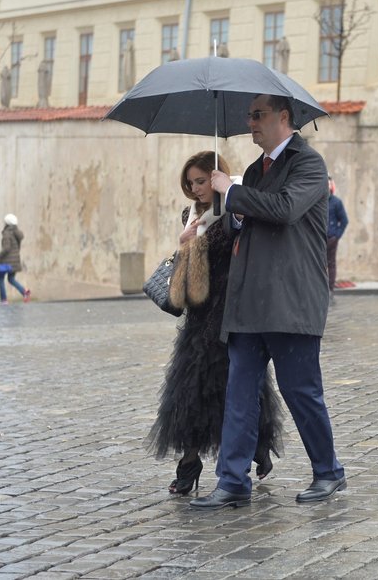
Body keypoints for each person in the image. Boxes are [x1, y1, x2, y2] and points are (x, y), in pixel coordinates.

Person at [190, 94, 345, 509]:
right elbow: (246, 223)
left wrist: (233, 190)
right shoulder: (256, 170)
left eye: (257, 115)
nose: (250, 122)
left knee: (301, 392)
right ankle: (233, 480)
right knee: (239, 393)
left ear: (283, 116)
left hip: (291, 301)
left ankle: (328, 472)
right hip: (248, 302)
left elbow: (286, 209)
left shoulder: (308, 163)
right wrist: (234, 209)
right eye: (249, 115)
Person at [146, 151, 284, 496]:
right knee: (190, 392)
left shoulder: (233, 211)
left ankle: (257, 448)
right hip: (199, 317)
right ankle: (189, 465)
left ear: (216, 177)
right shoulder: (189, 215)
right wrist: (184, 246)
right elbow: (184, 278)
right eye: (191, 182)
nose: (196, 189)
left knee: (241, 389)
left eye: (202, 180)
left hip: (231, 311)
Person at [0, 214, 31, 305]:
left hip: (7, 261)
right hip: (15, 260)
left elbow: (6, 248)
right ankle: (24, 292)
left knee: (1, 278)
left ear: (6, 223)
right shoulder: (17, 233)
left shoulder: (7, 233)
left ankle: (4, 300)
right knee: (11, 279)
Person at [326, 175, 349, 302]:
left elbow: (344, 220)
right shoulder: (318, 201)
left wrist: (337, 235)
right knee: (318, 264)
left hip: (331, 238)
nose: (327, 186)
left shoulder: (336, 202)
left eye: (329, 184)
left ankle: (330, 288)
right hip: (319, 239)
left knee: (331, 263)